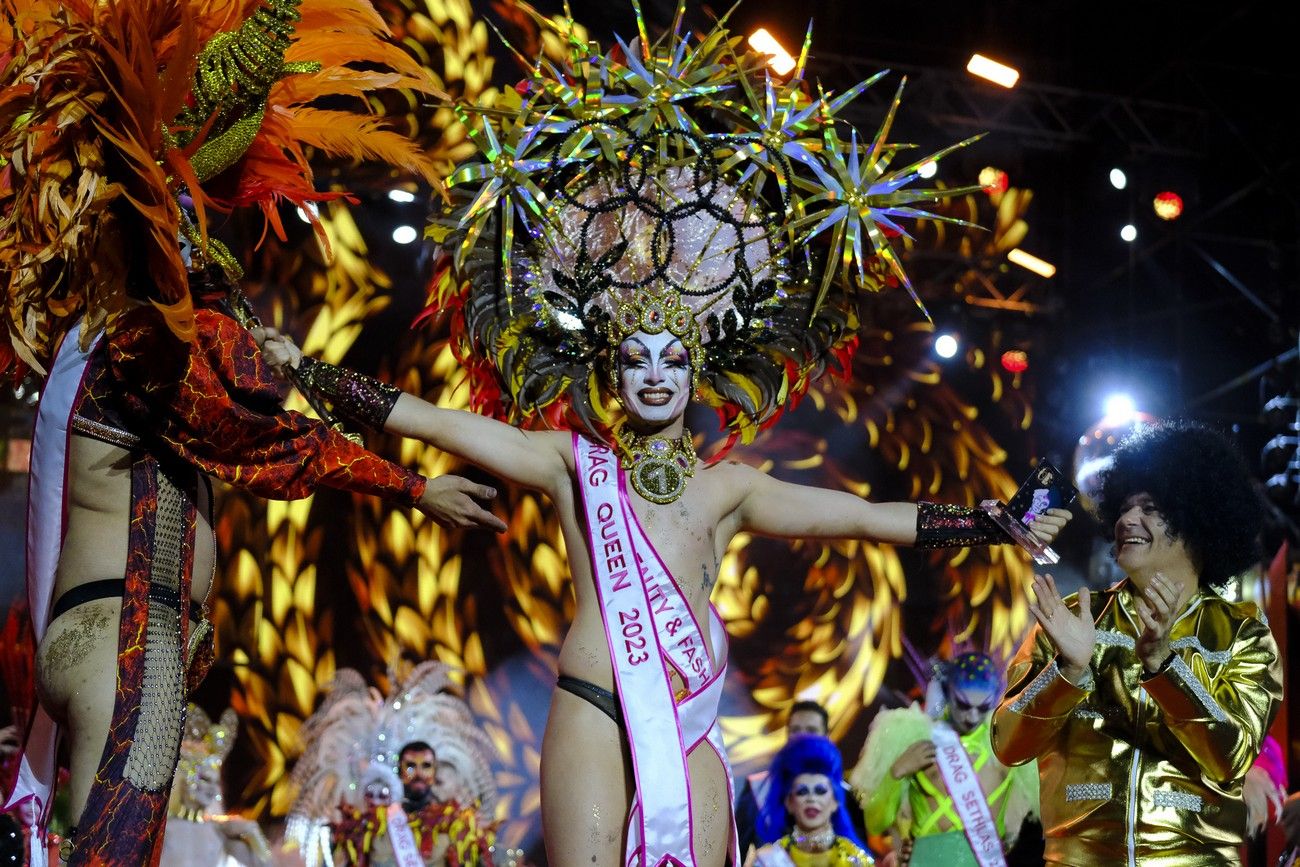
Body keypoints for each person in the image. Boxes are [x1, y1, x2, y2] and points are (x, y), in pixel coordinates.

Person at [267, 6, 1070, 865]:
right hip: (590, 703)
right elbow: (434, 420)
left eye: (672, 358)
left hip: (686, 719)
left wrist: (990, 521)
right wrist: (308, 372)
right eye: (636, 358)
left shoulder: (731, 488)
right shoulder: (570, 463)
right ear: (613, 376)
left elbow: (868, 519)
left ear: (695, 376)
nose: (654, 373)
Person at [0, 3, 503, 864]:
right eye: (203, 218)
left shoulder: (109, 333)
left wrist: (290, 369)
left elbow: (247, 406)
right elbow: (263, 441)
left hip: (112, 631)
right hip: (131, 636)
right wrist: (413, 486)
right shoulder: (147, 334)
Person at [991, 422, 1283, 865]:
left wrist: (1165, 667)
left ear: (1196, 517)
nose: (1127, 520)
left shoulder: (1244, 633)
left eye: (1149, 508)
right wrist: (1066, 672)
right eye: (1123, 508)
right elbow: (1008, 745)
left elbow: (1232, 756)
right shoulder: (1074, 618)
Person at [852, 653, 1038, 866]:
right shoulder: (914, 736)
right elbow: (875, 823)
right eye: (963, 705)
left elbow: (1040, 819)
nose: (972, 717)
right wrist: (895, 773)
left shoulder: (1007, 741)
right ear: (947, 692)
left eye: (983, 707)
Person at [736, 702, 867, 859]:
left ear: (827, 736)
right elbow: (736, 853)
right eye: (796, 731)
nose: (802, 738)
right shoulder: (758, 789)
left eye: (811, 731)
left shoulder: (846, 796)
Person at [160, 706, 270, 867]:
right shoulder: (160, 830)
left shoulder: (219, 833)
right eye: (205, 779)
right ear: (185, 779)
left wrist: (253, 834)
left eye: (215, 782)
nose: (212, 789)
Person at [751, 736, 874, 867]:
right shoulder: (769, 860)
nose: (811, 798)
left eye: (820, 791)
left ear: (835, 801)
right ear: (789, 803)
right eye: (802, 791)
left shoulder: (856, 860)